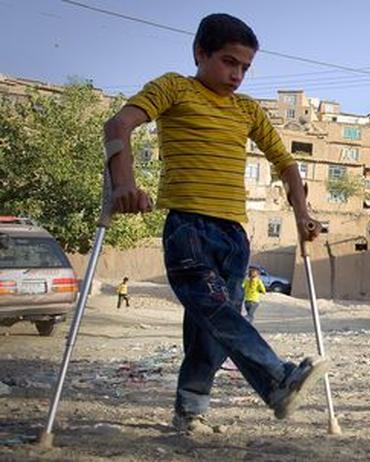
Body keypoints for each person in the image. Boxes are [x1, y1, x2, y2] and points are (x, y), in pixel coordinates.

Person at [103, 13, 326, 434]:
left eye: (244, 67)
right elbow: (118, 125)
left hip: (234, 235)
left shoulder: (247, 109)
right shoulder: (174, 87)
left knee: (209, 327)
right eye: (228, 62)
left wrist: (302, 215)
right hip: (188, 228)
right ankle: (276, 378)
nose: (237, 75)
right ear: (200, 53)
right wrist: (124, 184)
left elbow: (286, 164)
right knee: (218, 310)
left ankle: (190, 411)